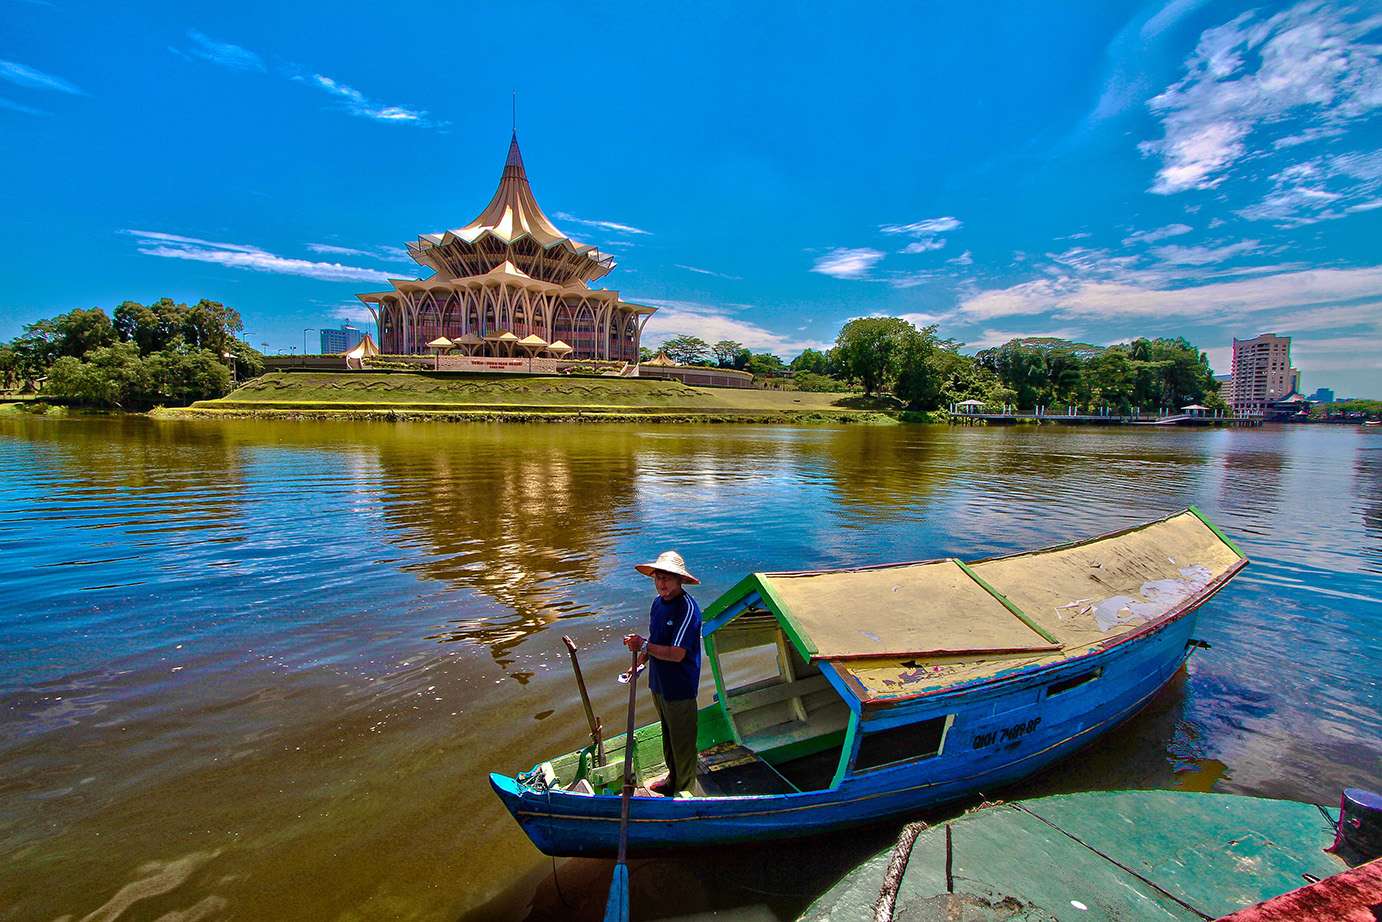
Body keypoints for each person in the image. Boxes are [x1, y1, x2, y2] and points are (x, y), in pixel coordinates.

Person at [623, 550, 702, 796]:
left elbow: (677, 653)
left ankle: (685, 791)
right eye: (658, 578)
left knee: (683, 744)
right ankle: (672, 780)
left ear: (680, 580)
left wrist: (644, 645)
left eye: (668, 578)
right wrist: (639, 663)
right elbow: (655, 641)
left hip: (680, 687)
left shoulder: (687, 609)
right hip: (659, 683)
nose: (662, 584)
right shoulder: (657, 604)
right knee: (667, 735)